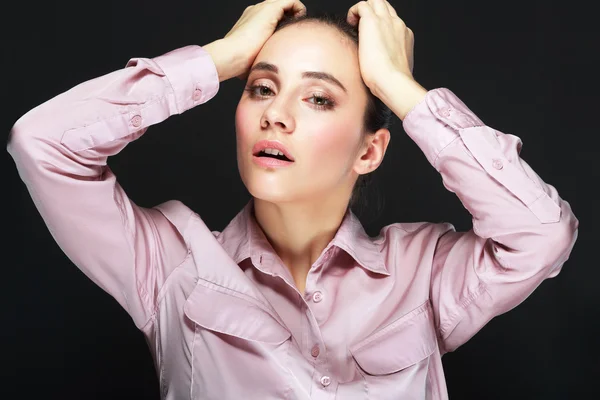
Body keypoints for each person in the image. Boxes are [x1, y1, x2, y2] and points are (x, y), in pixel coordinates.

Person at [7, 0, 578, 399]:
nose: (275, 114)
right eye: (260, 88)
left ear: (370, 152)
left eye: (320, 100)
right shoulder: (172, 266)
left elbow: (541, 234)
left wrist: (400, 88)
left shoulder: (425, 274)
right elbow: (42, 144)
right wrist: (218, 58)